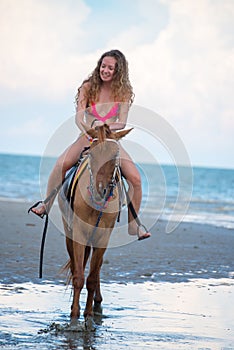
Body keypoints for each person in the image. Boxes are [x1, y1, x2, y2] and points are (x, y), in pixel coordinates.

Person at [31, 49, 151, 240]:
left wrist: (105, 128)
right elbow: (79, 116)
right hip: (88, 136)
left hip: (110, 139)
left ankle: (133, 224)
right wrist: (91, 128)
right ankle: (45, 205)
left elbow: (122, 122)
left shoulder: (124, 92)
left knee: (135, 179)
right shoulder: (88, 86)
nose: (105, 70)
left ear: (118, 71)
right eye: (103, 66)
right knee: (61, 165)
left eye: (110, 68)